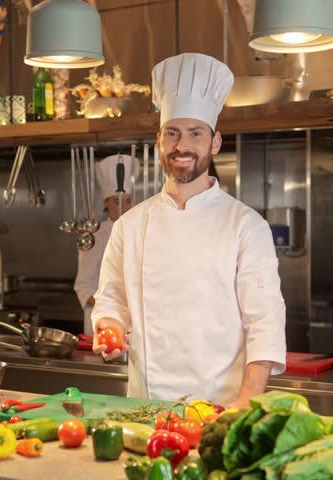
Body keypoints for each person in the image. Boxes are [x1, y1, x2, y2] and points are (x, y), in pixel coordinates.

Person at [90, 53, 287, 408]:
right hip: (145, 410)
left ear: (214, 143)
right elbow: (111, 300)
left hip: (220, 410)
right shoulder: (130, 226)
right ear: (159, 141)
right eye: (173, 134)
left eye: (195, 134)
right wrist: (111, 329)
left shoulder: (245, 226)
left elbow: (265, 322)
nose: (182, 146)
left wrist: (245, 404)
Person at [73, 154, 140, 335]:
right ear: (106, 203)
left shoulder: (139, 234)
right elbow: (84, 287)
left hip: (135, 324)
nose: (124, 207)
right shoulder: (94, 236)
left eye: (128, 201)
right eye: (117, 201)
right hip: (103, 325)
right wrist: (117, 304)